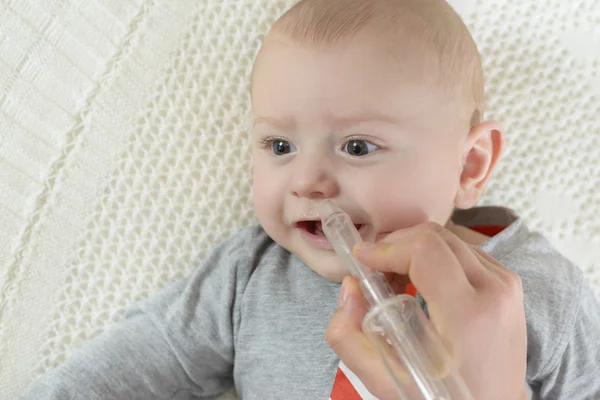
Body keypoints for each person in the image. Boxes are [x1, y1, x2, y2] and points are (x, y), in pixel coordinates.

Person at [21, 0, 600, 399]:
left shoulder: (536, 291)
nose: (307, 181)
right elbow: (144, 362)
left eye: (356, 145)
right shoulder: (251, 275)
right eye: (280, 144)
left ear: (469, 164)